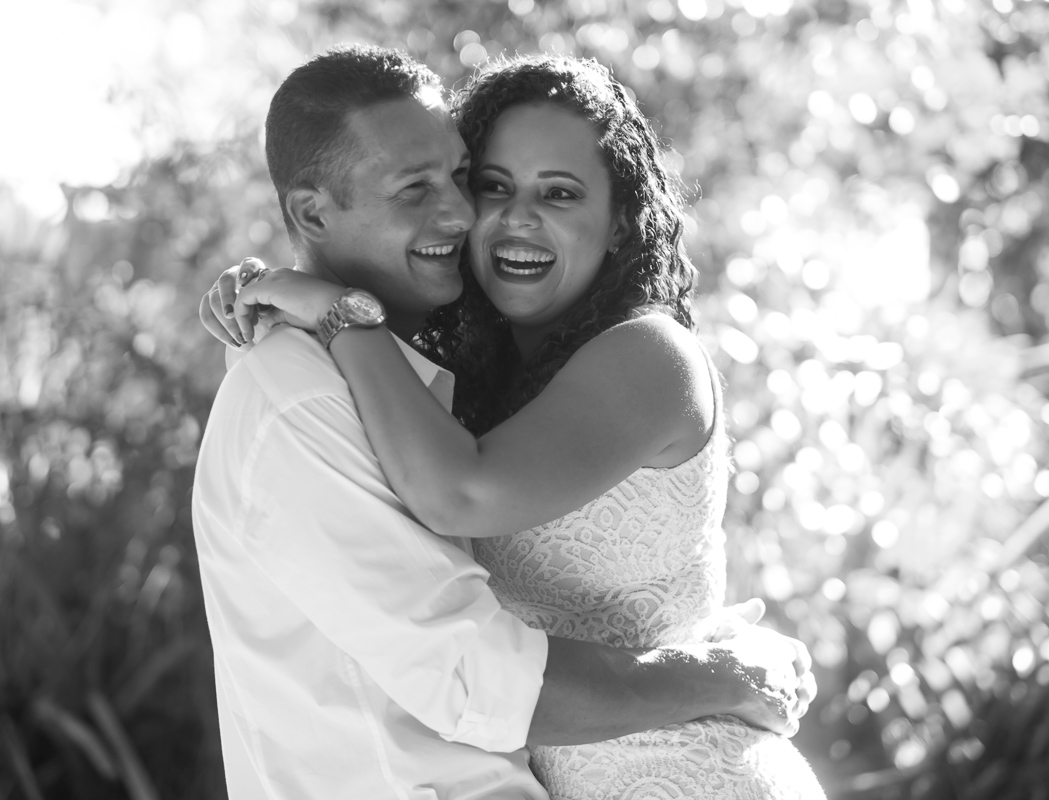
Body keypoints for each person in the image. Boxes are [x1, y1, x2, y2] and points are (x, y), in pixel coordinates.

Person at [192, 45, 813, 800]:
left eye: (559, 194)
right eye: (491, 185)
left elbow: (463, 497)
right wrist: (298, 292)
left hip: (688, 775)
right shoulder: (412, 385)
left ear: (620, 222)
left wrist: (334, 309)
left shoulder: (650, 356)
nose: (490, 216)